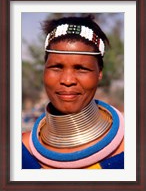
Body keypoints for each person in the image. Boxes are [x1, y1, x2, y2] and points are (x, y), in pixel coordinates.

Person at [22, 15, 124, 169]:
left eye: (81, 68)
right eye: (56, 67)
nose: (67, 80)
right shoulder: (19, 153)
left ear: (99, 73)